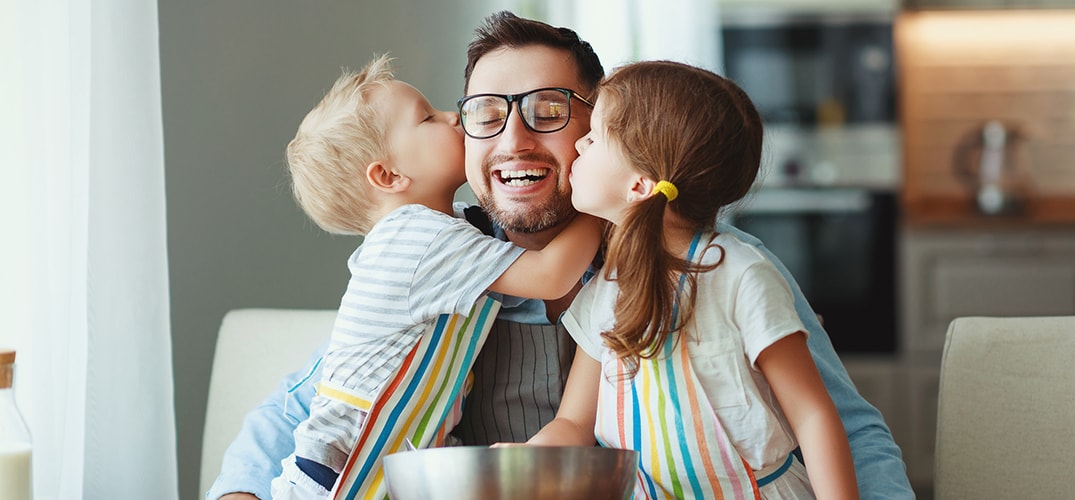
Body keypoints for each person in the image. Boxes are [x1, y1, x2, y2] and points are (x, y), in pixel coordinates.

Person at [207, 11, 914, 500]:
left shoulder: (713, 266)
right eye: (485, 113)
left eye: (547, 110)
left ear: (599, 130)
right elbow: (309, 406)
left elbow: (848, 429)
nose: (514, 139)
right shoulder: (442, 266)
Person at [267, 53, 600, 499]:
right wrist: (605, 199)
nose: (452, 116)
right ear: (388, 175)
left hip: (395, 468)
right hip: (339, 476)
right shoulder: (414, 238)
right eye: (427, 118)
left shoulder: (453, 230)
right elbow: (552, 274)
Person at [519, 60, 857, 499]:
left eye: (594, 136)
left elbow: (813, 415)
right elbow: (575, 423)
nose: (578, 145)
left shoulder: (741, 275)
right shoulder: (603, 291)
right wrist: (523, 460)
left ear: (639, 186)